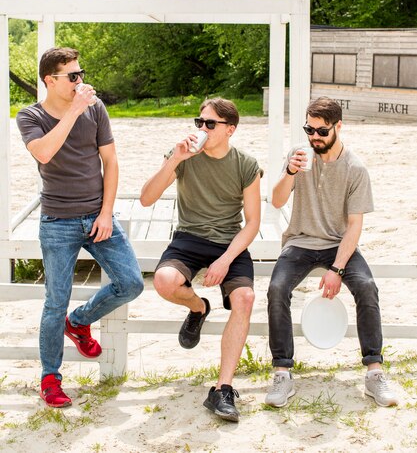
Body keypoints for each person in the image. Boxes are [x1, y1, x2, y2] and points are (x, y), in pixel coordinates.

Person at [16, 47, 143, 408]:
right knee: (54, 302)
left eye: (81, 73)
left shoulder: (96, 108)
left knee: (131, 282)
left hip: (97, 216)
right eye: (72, 76)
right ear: (49, 81)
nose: (80, 81)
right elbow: (44, 153)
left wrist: (106, 213)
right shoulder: (30, 116)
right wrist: (73, 110)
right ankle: (50, 379)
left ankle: (80, 321)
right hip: (57, 220)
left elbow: (111, 161)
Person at [266, 96, 398, 408]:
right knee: (276, 289)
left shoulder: (355, 168)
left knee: (367, 287)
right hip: (299, 241)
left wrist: (337, 268)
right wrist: (289, 172)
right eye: (309, 130)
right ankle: (282, 373)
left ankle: (374, 372)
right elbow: (276, 201)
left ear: (338, 126)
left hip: (340, 245)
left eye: (322, 131)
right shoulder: (298, 155)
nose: (315, 137)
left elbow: (354, 226)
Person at [140, 98, 261, 422]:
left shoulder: (245, 164)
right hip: (189, 238)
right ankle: (199, 307)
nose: (202, 129)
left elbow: (252, 223)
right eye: (199, 122)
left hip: (228, 242)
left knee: (245, 298)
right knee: (164, 282)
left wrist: (224, 260)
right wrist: (175, 159)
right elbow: (146, 197)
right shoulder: (183, 154)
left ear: (230, 129)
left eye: (210, 124)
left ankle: (223, 389)